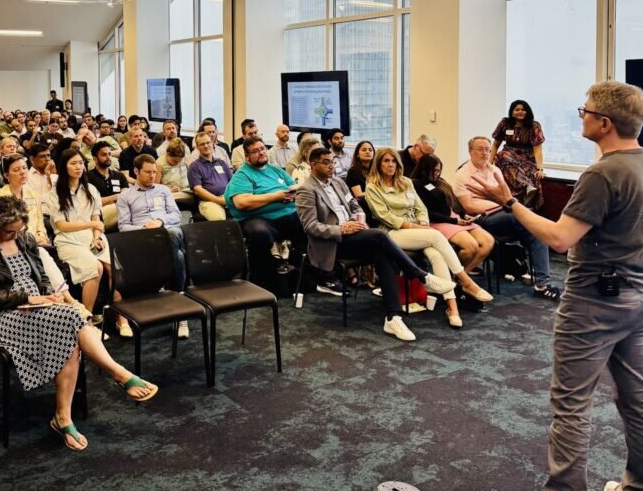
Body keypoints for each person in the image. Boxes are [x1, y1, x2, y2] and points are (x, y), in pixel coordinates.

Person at [467, 82, 643, 491]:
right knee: (638, 399)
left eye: (586, 110)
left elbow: (560, 239)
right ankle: (638, 490)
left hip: (592, 303)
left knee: (571, 405)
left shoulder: (602, 174)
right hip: (639, 295)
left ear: (604, 123)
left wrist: (510, 202)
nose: (582, 116)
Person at [0, 196, 156, 451]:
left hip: (39, 307)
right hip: (2, 316)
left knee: (70, 328)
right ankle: (117, 374)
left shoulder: (25, 239)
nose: (15, 236)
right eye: (9, 232)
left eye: (18, 230)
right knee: (73, 320)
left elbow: (41, 276)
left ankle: (64, 416)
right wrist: (27, 298)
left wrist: (48, 295)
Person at [297, 147, 455, 339]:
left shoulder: (338, 182)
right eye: (326, 162)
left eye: (332, 162)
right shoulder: (306, 190)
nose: (332, 166)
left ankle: (393, 317)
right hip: (333, 243)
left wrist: (358, 219)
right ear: (313, 165)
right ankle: (421, 276)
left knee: (383, 253)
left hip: (355, 234)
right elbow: (311, 227)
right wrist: (342, 229)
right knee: (379, 236)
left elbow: (354, 204)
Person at [365, 147, 493, 328]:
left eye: (393, 161)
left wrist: (424, 223)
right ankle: (465, 281)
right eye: (386, 161)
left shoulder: (405, 182)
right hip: (391, 233)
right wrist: (417, 227)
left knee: (437, 255)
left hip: (417, 230)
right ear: (378, 164)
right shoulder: (372, 187)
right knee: (436, 235)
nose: (391, 165)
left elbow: (421, 208)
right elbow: (386, 217)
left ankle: (452, 308)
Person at [454, 136, 561, 301]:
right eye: (480, 149)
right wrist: (499, 204)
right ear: (470, 152)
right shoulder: (462, 174)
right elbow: (469, 206)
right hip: (482, 219)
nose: (485, 153)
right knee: (523, 218)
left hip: (505, 215)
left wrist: (504, 204)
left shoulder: (495, 171)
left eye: (487, 150)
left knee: (537, 232)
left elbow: (506, 196)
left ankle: (542, 285)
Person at [116, 155, 189, 338]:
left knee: (174, 234)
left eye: (154, 172)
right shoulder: (125, 196)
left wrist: (159, 221)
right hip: (142, 240)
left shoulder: (163, 190)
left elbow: (176, 215)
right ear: (136, 171)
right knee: (178, 256)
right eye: (148, 172)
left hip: (166, 233)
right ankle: (180, 308)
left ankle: (173, 301)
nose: (152, 176)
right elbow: (123, 227)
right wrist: (145, 229)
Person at [224, 137, 310, 287]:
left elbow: (293, 187)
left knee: (310, 223)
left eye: (262, 149)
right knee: (260, 233)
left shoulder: (275, 169)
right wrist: (275, 197)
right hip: (257, 218)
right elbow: (242, 202)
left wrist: (297, 191)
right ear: (247, 157)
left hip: (287, 214)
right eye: (255, 151)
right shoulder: (243, 175)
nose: (261, 152)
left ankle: (302, 275)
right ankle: (261, 281)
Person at [45, 149, 110, 329]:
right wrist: (92, 224)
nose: (78, 167)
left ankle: (120, 317)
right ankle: (86, 320)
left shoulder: (91, 189)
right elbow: (62, 226)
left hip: (91, 237)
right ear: (64, 167)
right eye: (73, 163)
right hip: (68, 240)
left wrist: (97, 237)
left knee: (114, 267)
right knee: (95, 267)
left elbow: (96, 217)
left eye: (81, 163)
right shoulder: (55, 193)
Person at [411, 154, 494, 273]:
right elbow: (426, 213)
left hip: (453, 217)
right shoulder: (415, 185)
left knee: (488, 242)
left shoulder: (440, 182)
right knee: (471, 246)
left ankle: (462, 277)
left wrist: (464, 215)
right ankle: (456, 277)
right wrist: (455, 221)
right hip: (437, 222)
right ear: (424, 169)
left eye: (439, 171)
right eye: (435, 171)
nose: (437, 174)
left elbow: (453, 201)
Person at [490, 99, 547, 209]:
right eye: (517, 110)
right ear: (512, 112)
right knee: (502, 155)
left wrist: (540, 169)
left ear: (527, 112)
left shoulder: (534, 125)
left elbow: (538, 150)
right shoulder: (504, 123)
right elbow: (495, 145)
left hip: (526, 159)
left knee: (521, 169)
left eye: (523, 109)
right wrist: (489, 164)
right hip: (508, 157)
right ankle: (526, 186)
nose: (520, 111)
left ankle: (521, 203)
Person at [187, 132, 233, 222]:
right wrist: (218, 200)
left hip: (226, 197)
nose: (206, 146)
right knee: (219, 219)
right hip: (208, 201)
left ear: (212, 143)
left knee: (246, 211)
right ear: (197, 147)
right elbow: (198, 190)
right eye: (202, 144)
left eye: (208, 142)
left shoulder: (222, 163)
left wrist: (229, 197)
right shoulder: (194, 167)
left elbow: (232, 182)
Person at [86, 142, 124, 230]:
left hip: (121, 215)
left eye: (109, 154)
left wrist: (105, 200)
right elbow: (91, 202)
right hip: (98, 216)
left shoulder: (119, 175)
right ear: (95, 159)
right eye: (104, 155)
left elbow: (126, 197)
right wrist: (115, 197)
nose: (108, 157)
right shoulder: (87, 177)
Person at [156, 138, 193, 207]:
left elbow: (191, 176)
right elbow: (155, 186)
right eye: (174, 161)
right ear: (168, 154)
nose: (177, 163)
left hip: (186, 191)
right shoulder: (159, 164)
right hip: (170, 193)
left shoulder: (185, 158)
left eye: (179, 161)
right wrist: (169, 190)